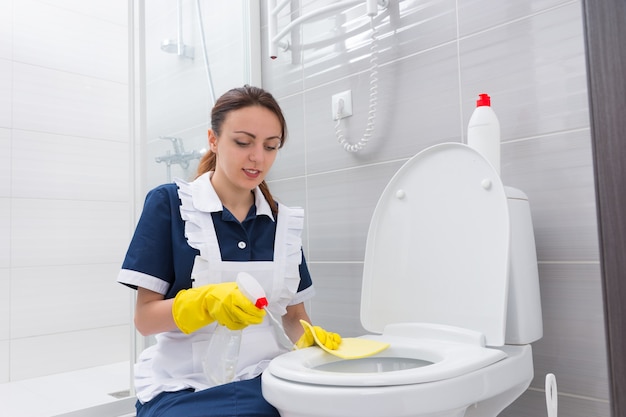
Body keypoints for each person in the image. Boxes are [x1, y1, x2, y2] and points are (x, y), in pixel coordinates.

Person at [117, 85, 341, 417]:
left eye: (271, 146)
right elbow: (145, 320)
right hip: (187, 384)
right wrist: (204, 302)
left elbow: (293, 318)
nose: (258, 158)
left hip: (271, 380)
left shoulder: (283, 223)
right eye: (243, 142)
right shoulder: (171, 204)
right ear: (213, 139)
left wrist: (312, 339)